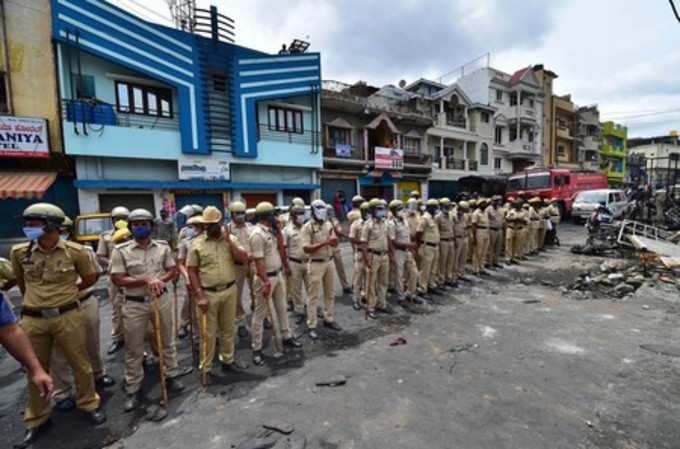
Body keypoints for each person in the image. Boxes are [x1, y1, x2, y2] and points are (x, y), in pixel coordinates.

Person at [10, 203, 105, 448]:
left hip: (67, 315)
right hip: (32, 319)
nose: (27, 228)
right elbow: (21, 282)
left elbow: (89, 278)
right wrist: (37, 302)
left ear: (51, 225)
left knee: (80, 362)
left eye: (33, 224)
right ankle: (38, 418)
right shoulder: (19, 252)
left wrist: (66, 295)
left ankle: (88, 404)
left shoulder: (75, 252)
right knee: (35, 369)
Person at [110, 208, 188, 412]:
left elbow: (172, 270)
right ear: (130, 227)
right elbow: (117, 278)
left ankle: (171, 376)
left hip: (160, 299)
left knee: (166, 341)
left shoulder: (162, 248)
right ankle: (133, 388)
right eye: (136, 225)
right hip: (134, 303)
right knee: (134, 348)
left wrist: (159, 281)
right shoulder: (121, 250)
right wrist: (145, 279)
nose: (140, 228)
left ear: (151, 226)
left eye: (144, 224)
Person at [51, 217, 114, 413]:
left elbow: (93, 276)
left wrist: (69, 290)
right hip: (54, 308)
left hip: (83, 300)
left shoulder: (82, 251)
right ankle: (61, 392)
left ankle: (97, 374)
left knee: (91, 343)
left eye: (63, 230)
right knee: (58, 351)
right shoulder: (28, 254)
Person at [186, 206, 250, 377]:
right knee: (207, 333)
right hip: (207, 294)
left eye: (215, 224)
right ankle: (205, 367)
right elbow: (191, 270)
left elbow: (243, 258)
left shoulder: (231, 240)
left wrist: (229, 241)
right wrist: (199, 295)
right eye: (208, 225)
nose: (211, 228)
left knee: (228, 329)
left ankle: (228, 360)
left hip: (229, 290)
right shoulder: (197, 244)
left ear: (221, 223)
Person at [249, 202, 301, 365]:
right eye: (274, 215)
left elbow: (280, 248)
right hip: (266, 278)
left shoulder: (272, 231)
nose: (277, 217)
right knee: (260, 313)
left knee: (282, 308)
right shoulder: (257, 234)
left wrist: (278, 230)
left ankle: (287, 336)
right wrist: (265, 282)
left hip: (277, 275)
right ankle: (257, 348)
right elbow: (258, 261)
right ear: (266, 217)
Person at [301, 199, 340, 339]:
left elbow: (333, 239)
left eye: (323, 208)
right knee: (313, 296)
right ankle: (312, 325)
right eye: (318, 209)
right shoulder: (307, 227)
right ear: (312, 211)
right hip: (316, 263)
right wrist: (325, 242)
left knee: (330, 293)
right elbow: (306, 248)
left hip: (329, 262)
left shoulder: (328, 224)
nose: (322, 211)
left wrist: (334, 239)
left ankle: (329, 318)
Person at [97, 206, 130, 355]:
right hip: (115, 277)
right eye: (117, 218)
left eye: (123, 218)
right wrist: (113, 263)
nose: (120, 221)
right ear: (112, 220)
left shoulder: (133, 234)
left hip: (133, 276)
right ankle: (118, 337)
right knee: (117, 308)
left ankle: (140, 337)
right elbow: (100, 256)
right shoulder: (106, 236)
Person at [387, 200, 422, 305]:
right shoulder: (391, 223)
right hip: (398, 252)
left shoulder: (405, 220)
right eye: (399, 209)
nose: (402, 210)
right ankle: (401, 297)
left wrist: (411, 248)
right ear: (393, 211)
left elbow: (408, 236)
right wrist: (392, 254)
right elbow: (392, 241)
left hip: (407, 251)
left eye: (402, 208)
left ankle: (411, 294)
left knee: (414, 273)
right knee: (399, 276)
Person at [227, 201, 254, 338]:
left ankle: (262, 314)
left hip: (252, 263)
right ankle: (241, 322)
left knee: (257, 290)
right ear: (231, 214)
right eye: (237, 213)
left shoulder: (251, 227)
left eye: (242, 212)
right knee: (237, 295)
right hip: (237, 265)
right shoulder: (227, 230)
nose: (241, 216)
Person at [361, 199, 391, 319]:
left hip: (384, 255)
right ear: (372, 210)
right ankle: (370, 307)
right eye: (378, 209)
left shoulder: (385, 222)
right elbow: (363, 243)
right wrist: (366, 258)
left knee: (383, 282)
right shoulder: (368, 225)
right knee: (371, 283)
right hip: (373, 255)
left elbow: (388, 238)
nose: (381, 211)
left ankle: (381, 304)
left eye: (382, 208)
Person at [176, 215, 204, 339]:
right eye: (193, 226)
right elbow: (180, 263)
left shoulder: (211, 239)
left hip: (208, 278)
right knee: (191, 305)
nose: (196, 228)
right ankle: (190, 328)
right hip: (191, 277)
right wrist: (187, 276)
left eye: (199, 225)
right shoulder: (186, 242)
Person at [283, 205, 309, 324]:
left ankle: (311, 309)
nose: (302, 216)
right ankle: (299, 311)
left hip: (308, 262)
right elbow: (283, 249)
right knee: (296, 289)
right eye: (299, 214)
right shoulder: (287, 230)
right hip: (294, 263)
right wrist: (286, 266)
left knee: (312, 287)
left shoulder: (307, 228)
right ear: (293, 216)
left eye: (303, 213)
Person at [416, 199, 441, 297]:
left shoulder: (434, 218)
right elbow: (418, 232)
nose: (436, 209)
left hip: (435, 246)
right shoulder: (425, 218)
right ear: (430, 207)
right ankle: (422, 288)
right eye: (435, 207)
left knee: (433, 268)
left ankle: (431, 285)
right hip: (427, 246)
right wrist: (419, 244)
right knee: (425, 269)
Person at [348, 201, 369, 310]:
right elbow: (351, 238)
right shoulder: (356, 224)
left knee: (368, 277)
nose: (367, 213)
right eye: (365, 211)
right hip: (360, 253)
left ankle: (365, 295)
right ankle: (356, 299)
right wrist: (361, 243)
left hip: (370, 253)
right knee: (358, 278)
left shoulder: (371, 223)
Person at [327, 205, 352, 294]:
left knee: (340, 268)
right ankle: (328, 289)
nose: (330, 213)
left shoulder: (335, 220)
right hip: (327, 248)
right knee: (327, 270)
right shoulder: (323, 223)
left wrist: (344, 235)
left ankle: (345, 285)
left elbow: (338, 231)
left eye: (331, 211)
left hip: (336, 247)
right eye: (329, 211)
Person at [436, 198, 455, 287]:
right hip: (443, 242)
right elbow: (437, 231)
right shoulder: (438, 217)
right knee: (442, 262)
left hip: (451, 240)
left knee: (450, 260)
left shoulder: (451, 215)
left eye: (449, 205)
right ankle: (441, 280)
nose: (448, 207)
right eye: (446, 205)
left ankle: (449, 277)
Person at [470, 198, 490, 276]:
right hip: (479, 231)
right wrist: (474, 237)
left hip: (486, 231)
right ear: (479, 204)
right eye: (483, 203)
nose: (485, 205)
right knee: (478, 251)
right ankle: (475, 269)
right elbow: (474, 226)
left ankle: (481, 268)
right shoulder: (476, 213)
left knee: (484, 251)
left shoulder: (485, 212)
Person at [453, 201, 470, 283]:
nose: (463, 212)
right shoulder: (452, 215)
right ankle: (454, 275)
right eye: (462, 210)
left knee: (463, 257)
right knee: (456, 258)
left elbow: (467, 226)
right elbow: (451, 228)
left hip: (464, 237)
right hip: (457, 238)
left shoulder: (465, 216)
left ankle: (461, 273)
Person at [486, 196, 504, 269]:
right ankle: (489, 263)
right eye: (496, 200)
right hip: (492, 229)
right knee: (490, 247)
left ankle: (496, 262)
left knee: (498, 247)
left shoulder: (500, 209)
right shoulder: (488, 209)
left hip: (499, 229)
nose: (497, 202)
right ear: (492, 201)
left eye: (498, 200)